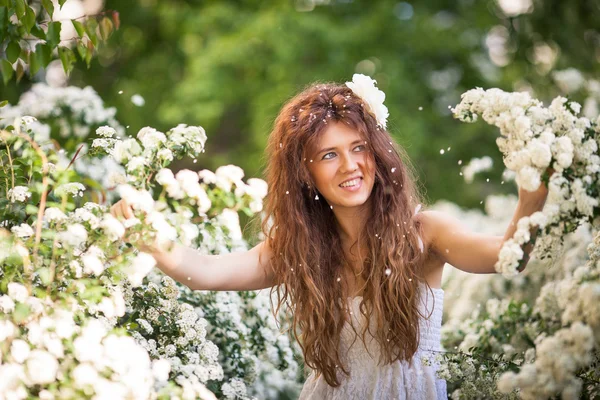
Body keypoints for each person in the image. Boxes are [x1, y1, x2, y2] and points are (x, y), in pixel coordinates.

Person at [110, 75, 549, 399]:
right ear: (307, 174)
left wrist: (532, 195)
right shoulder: (299, 249)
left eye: (359, 148)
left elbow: (505, 257)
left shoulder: (424, 233)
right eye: (329, 155)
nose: (350, 166)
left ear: (376, 155)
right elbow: (203, 271)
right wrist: (147, 232)